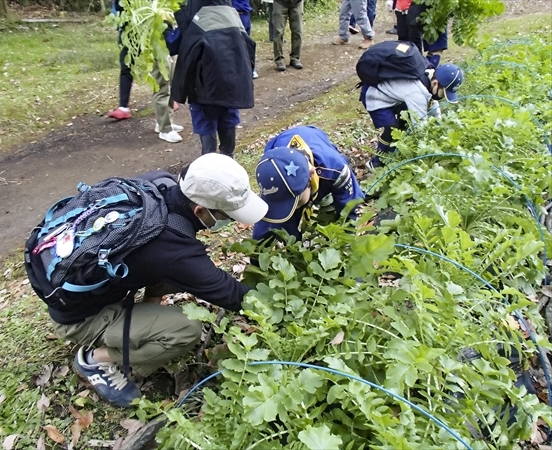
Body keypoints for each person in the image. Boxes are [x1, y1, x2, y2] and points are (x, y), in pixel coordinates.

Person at [30, 154, 268, 407]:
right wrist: (277, 308)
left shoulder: (159, 182)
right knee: (186, 330)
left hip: (74, 278)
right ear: (199, 210)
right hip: (78, 318)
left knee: (165, 267)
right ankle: (96, 360)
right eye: (228, 216)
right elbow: (234, 295)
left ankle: (143, 318)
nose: (230, 222)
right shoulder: (175, 252)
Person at [171, 0, 255, 156]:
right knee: (228, 119)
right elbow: (249, 45)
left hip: (204, 88)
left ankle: (210, 164)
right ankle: (228, 161)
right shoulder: (232, 15)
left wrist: (165, 26)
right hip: (232, 83)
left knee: (206, 127)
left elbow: (173, 45)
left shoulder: (194, 17)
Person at [252, 126, 364, 241]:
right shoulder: (271, 176)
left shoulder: (335, 170)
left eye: (295, 201)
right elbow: (265, 221)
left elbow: (350, 206)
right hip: (279, 142)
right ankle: (294, 244)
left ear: (311, 175)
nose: (292, 208)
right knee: (281, 221)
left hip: (314, 135)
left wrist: (347, 239)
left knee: (340, 205)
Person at [360, 63, 464, 169]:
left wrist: (440, 127)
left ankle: (392, 155)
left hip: (393, 95)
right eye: (444, 93)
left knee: (403, 124)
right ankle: (376, 163)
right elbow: (420, 128)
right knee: (392, 129)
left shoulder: (429, 77)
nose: (442, 98)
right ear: (435, 83)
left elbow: (433, 105)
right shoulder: (417, 93)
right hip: (374, 95)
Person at [107, 0, 183, 144]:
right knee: (161, 83)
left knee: (170, 81)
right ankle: (164, 128)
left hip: (168, 34)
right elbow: (122, 8)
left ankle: (166, 121)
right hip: (153, 37)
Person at [272, 0, 303, 71]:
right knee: (278, 32)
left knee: (298, 31)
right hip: (280, 3)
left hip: (297, 3)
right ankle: (279, 60)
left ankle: (295, 58)